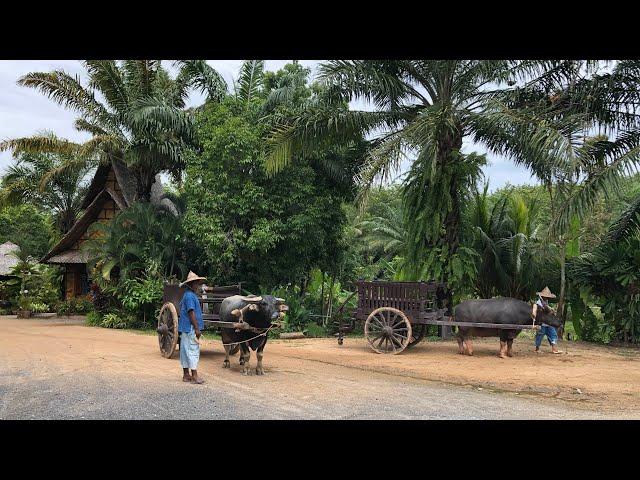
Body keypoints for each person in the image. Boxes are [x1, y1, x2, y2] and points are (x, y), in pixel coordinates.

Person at [178, 271, 207, 384]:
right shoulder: (190, 296)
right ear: (191, 284)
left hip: (185, 328)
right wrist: (196, 328)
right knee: (193, 350)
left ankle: (186, 375)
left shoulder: (187, 294)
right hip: (190, 328)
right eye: (196, 283)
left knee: (185, 351)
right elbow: (191, 312)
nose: (198, 285)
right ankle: (194, 376)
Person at [534, 286, 562, 354]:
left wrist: (551, 310)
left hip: (549, 322)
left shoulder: (546, 302)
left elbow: (548, 310)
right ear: (542, 296)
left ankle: (554, 349)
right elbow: (542, 310)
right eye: (545, 296)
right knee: (540, 335)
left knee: (553, 334)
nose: (546, 297)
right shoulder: (539, 303)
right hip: (542, 322)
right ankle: (537, 349)